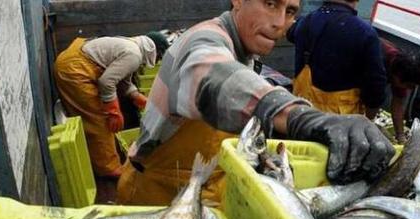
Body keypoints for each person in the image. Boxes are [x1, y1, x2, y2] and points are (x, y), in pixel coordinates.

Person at [116, 0, 394, 206]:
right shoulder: (206, 39)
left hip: (197, 190)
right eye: (270, 3)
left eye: (290, 11)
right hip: (155, 197)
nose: (279, 22)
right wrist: (300, 117)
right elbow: (213, 77)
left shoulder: (245, 51)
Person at [54, 32, 170, 192]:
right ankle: (110, 168)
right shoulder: (134, 55)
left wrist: (142, 100)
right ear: (154, 51)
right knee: (99, 121)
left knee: (94, 119)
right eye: (159, 57)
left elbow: (123, 81)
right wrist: (114, 111)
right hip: (75, 69)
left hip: (73, 58)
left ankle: (98, 157)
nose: (157, 61)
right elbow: (107, 82)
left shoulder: (132, 47)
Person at [287, 0, 387, 117]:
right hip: (339, 123)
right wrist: (369, 118)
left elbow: (290, 34)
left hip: (299, 114)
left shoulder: (305, 22)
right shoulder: (365, 33)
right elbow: (376, 87)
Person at [380, 39, 420, 143]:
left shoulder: (402, 69)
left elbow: (398, 103)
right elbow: (371, 99)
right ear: (397, 76)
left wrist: (400, 135)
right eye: (409, 85)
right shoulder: (378, 63)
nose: (409, 89)